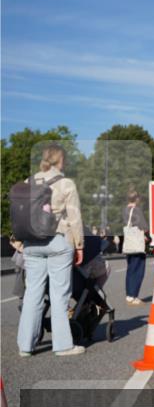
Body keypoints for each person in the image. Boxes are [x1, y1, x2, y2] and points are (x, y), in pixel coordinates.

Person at [16, 144, 86, 357]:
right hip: (57, 240)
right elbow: (74, 217)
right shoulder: (66, 183)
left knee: (32, 293)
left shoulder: (29, 182)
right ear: (60, 160)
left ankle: (25, 346)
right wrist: (79, 245)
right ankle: (63, 345)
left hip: (31, 243)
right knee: (59, 294)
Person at [122, 191, 149, 306]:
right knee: (138, 270)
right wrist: (148, 235)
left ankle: (129, 295)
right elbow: (143, 226)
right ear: (137, 199)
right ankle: (134, 295)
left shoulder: (124, 210)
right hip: (137, 244)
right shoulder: (136, 210)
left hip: (129, 243)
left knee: (130, 270)